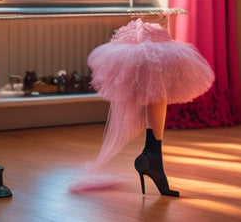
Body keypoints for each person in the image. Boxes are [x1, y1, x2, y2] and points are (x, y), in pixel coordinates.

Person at [69, 17, 215, 196]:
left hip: (147, 33)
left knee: (156, 86)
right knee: (156, 83)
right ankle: (152, 157)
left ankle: (151, 155)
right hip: (140, 35)